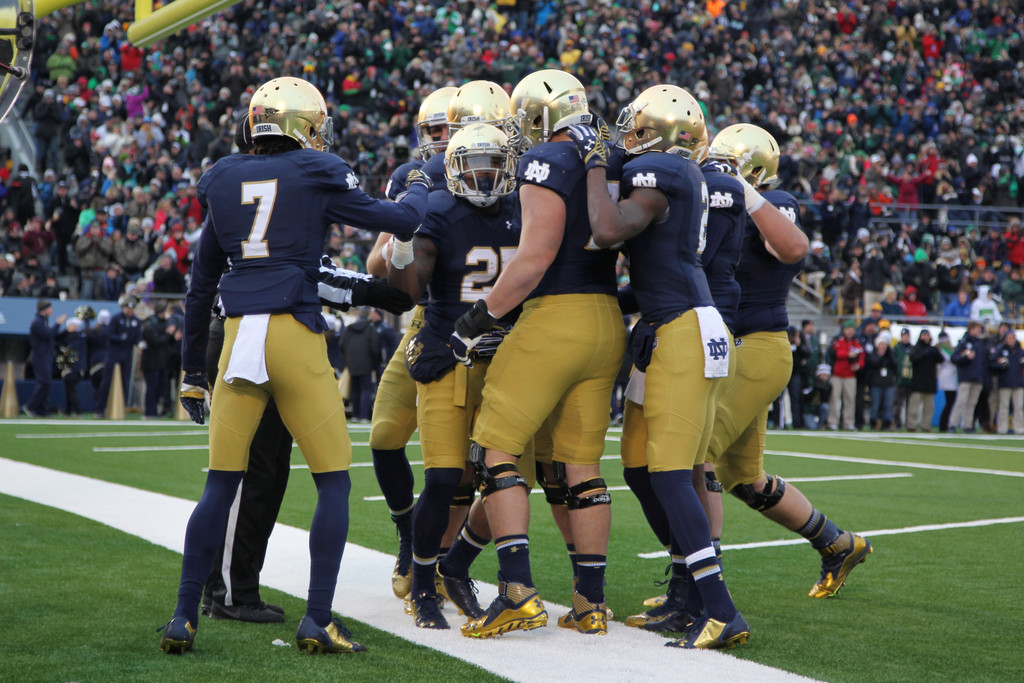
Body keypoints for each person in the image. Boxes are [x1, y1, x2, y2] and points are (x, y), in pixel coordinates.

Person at [159, 77, 428, 655]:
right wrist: (422, 190)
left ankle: (183, 616)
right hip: (292, 331)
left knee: (219, 485)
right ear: (304, 126)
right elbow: (401, 221)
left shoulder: (223, 176)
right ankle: (318, 618)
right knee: (333, 481)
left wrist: (192, 372)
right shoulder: (315, 170)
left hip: (235, 339)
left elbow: (200, 285)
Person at [448, 70, 623, 639]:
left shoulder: (547, 159)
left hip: (556, 318)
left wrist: (477, 319)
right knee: (581, 465)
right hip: (606, 317)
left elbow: (534, 257)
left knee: (495, 449)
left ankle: (517, 592)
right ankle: (590, 603)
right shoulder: (611, 156)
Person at [579, 85, 747, 648]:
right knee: (656, 469)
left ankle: (719, 609)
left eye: (634, 127)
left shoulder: (660, 172)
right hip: (680, 324)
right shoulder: (676, 171)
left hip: (682, 328)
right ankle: (689, 595)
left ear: (658, 133)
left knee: (673, 473)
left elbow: (607, 230)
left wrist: (595, 161)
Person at [696, 124, 868, 608]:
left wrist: (743, 188)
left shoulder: (776, 202)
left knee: (698, 458)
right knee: (745, 478)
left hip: (758, 346)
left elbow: (791, 248)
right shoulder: (719, 201)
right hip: (736, 345)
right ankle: (837, 543)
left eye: (727, 166)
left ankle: (698, 587)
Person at [387, 122, 520, 629]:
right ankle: (423, 586)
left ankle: (455, 568)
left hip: (504, 360)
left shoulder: (523, 207)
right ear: (455, 168)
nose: (485, 175)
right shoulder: (439, 209)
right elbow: (414, 290)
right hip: (448, 353)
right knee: (443, 477)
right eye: (475, 164)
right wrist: (402, 250)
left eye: (494, 163)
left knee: (499, 478)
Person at [366, 86, 456, 600]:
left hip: (492, 324)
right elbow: (378, 263)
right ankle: (408, 534)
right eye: (434, 131)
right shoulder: (410, 177)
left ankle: (450, 558)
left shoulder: (506, 169)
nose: (441, 141)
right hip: (427, 317)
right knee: (383, 435)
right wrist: (402, 235)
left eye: (449, 129)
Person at [94, 295, 142, 417]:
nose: (129, 310)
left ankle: (120, 407)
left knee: (124, 381)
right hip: (113, 354)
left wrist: (140, 342)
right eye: (127, 307)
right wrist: (119, 338)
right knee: (107, 381)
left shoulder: (136, 321)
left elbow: (137, 337)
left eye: (132, 308)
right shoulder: (116, 318)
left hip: (126, 354)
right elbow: (108, 335)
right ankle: (100, 408)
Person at [24, 299, 67, 417]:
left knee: (46, 383)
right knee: (44, 382)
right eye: (50, 308)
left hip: (46, 356)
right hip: (40, 356)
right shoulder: (37, 323)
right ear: (45, 309)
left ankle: (42, 410)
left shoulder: (45, 321)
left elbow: (54, 337)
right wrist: (58, 324)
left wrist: (66, 330)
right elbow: (48, 335)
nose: (52, 310)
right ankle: (30, 405)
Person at [339, 308, 381, 422]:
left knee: (355, 389)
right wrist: (375, 362)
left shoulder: (349, 328)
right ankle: (363, 415)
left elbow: (342, 344)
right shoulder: (370, 328)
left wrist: (348, 359)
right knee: (366, 389)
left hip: (352, 363)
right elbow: (375, 347)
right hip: (366, 363)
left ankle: (355, 414)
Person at [948, 321, 988, 433]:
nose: (979, 330)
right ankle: (953, 424)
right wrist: (965, 357)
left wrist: (983, 376)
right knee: (961, 401)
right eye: (977, 328)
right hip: (966, 377)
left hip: (977, 378)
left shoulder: (980, 343)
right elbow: (954, 358)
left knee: (972, 403)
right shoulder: (964, 342)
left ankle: (967, 425)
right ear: (971, 329)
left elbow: (984, 362)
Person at [141, 302, 177, 418]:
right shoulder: (150, 323)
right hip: (152, 362)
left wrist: (172, 337)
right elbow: (156, 341)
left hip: (161, 362)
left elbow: (165, 342)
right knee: (152, 388)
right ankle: (149, 411)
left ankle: (154, 410)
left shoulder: (159, 322)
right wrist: (168, 334)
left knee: (158, 388)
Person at [907, 329, 943, 432]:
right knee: (914, 407)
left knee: (928, 408)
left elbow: (941, 359)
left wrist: (935, 351)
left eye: (927, 336)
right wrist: (924, 353)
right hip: (918, 382)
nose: (926, 338)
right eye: (924, 335)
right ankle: (911, 425)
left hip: (930, 382)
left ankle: (926, 426)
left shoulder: (933, 349)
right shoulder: (916, 348)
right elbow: (913, 359)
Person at [990, 331, 1024, 435]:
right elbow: (992, 363)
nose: (1011, 339)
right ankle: (1002, 428)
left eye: (1013, 337)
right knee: (1003, 407)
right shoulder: (1001, 350)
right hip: (1005, 382)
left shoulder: (1020, 351)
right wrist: (1000, 364)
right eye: (1009, 337)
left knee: (1019, 407)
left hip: (1018, 382)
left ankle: (1020, 428)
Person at [57, 316, 89, 416]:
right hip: (70, 367)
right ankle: (68, 410)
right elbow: (57, 338)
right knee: (69, 388)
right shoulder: (67, 336)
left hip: (75, 367)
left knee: (71, 388)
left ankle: (78, 411)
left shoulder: (79, 337)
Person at [866, 331, 897, 430]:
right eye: (881, 344)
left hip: (888, 383)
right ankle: (874, 422)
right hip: (876, 383)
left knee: (888, 405)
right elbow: (874, 363)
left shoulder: (890, 355)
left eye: (884, 344)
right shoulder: (874, 355)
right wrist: (882, 356)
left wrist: (888, 353)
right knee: (875, 405)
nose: (883, 346)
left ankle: (887, 423)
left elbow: (895, 365)